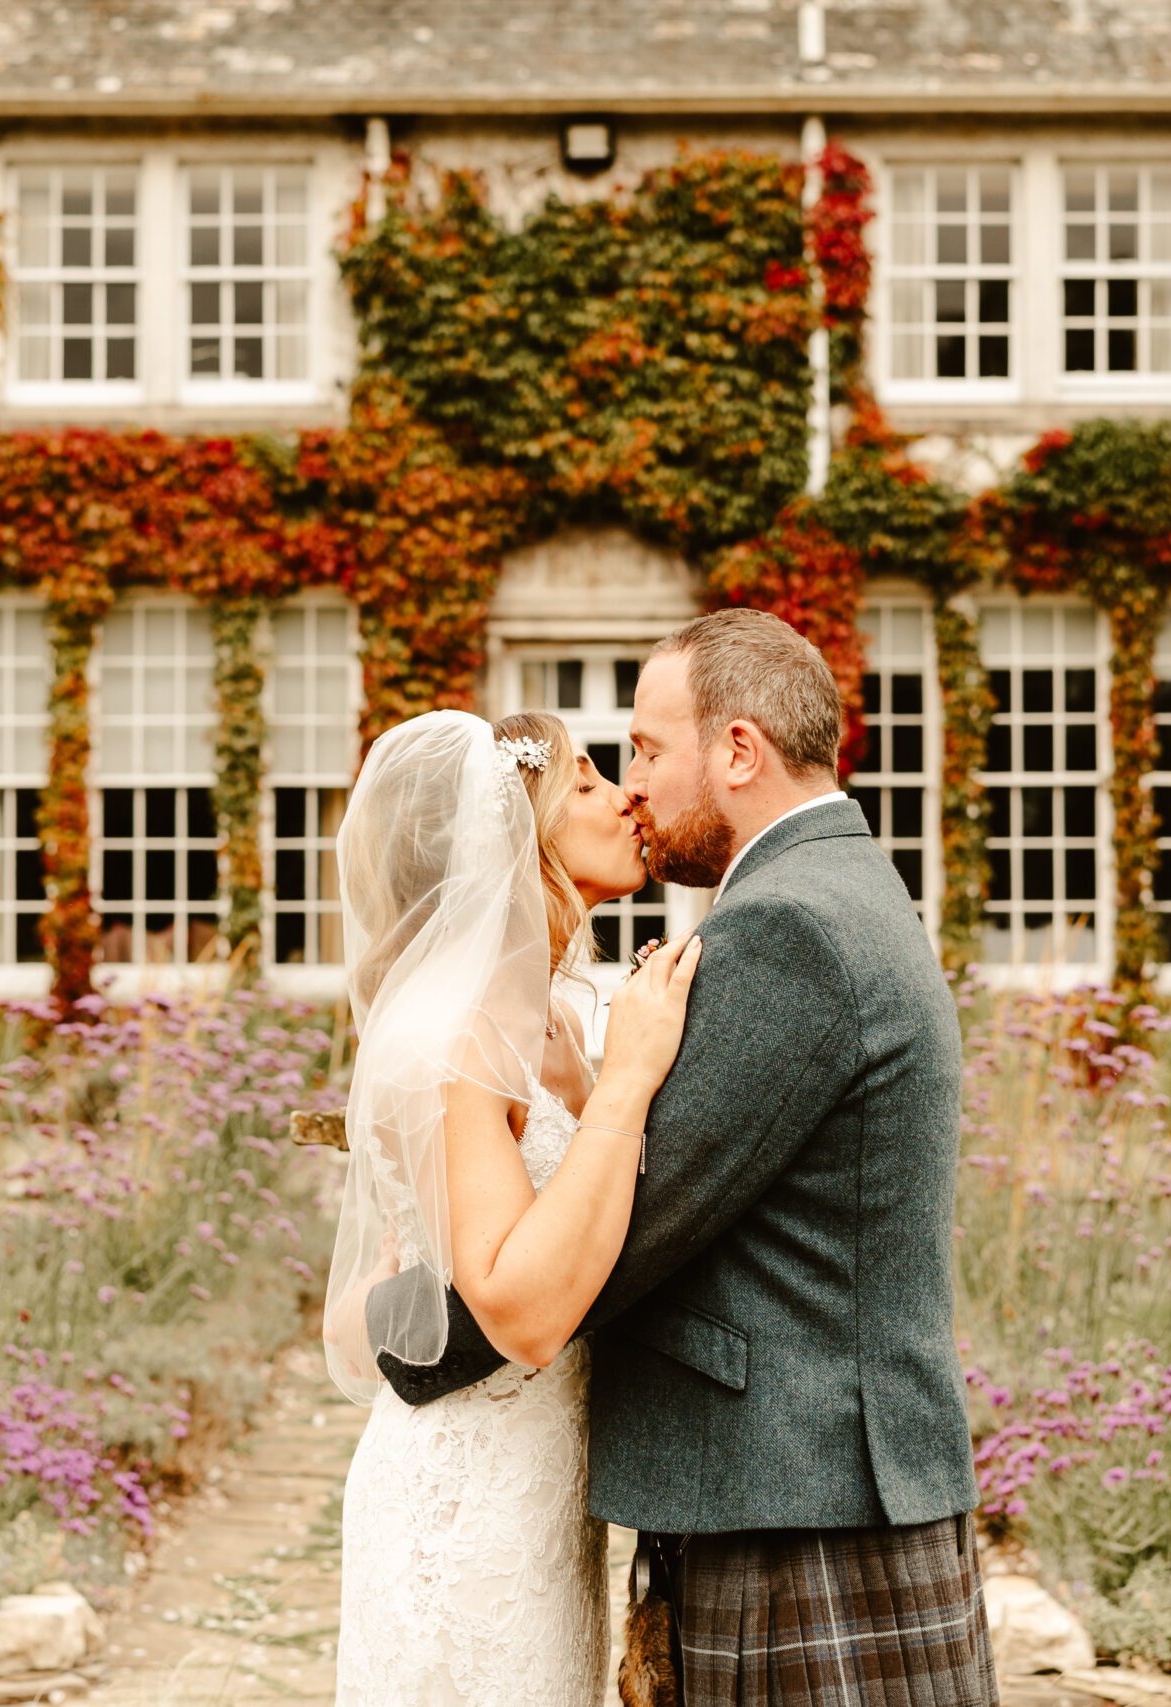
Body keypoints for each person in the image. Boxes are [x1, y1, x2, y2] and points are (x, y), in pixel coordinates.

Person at [371, 609, 995, 1706]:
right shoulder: (840, 885)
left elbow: (629, 1229)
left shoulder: (782, 929)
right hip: (802, 1489)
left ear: (739, 750)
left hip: (796, 1510)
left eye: (650, 752)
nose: (635, 789)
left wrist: (408, 1335)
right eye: (606, 771)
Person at [328, 706, 701, 1705]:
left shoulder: (571, 1013)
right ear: (513, 836)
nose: (624, 792)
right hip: (465, 1494)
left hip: (554, 1480)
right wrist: (626, 1084)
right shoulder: (456, 1035)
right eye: (582, 782)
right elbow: (519, 1316)